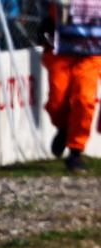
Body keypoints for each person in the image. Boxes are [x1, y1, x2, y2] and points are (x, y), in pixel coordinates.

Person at [42, 0, 101, 173]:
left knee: (84, 100)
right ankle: (64, 128)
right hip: (61, 51)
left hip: (92, 55)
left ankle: (75, 152)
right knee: (56, 102)